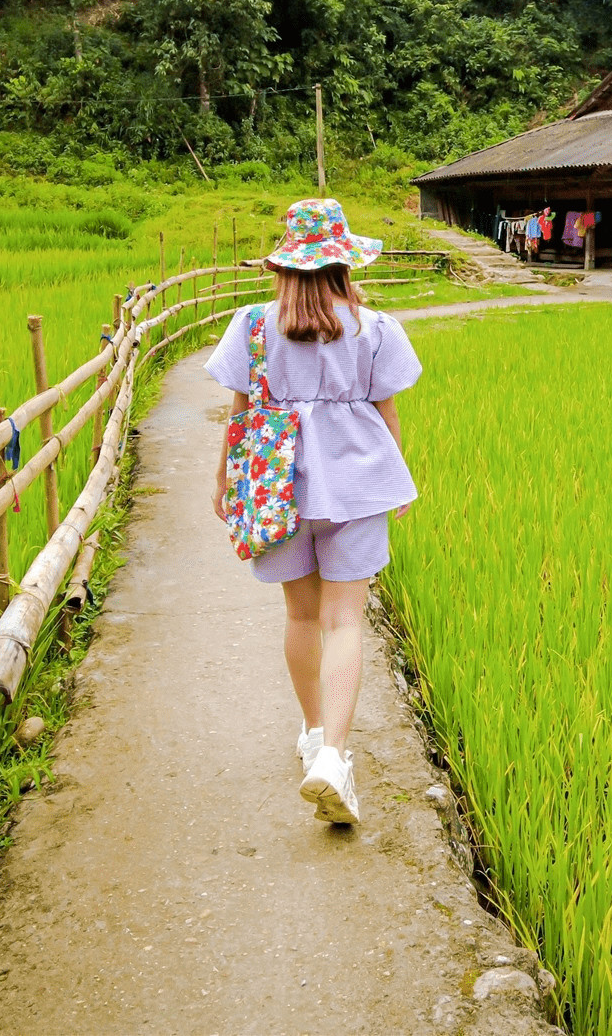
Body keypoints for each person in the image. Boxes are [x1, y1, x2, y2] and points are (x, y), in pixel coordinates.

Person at [207, 198, 421, 826]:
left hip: (277, 486)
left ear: (285, 265)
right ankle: (333, 755)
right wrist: (396, 483)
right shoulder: (374, 328)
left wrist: (225, 480)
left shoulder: (251, 324)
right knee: (344, 619)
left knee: (300, 615)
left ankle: (312, 732)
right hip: (356, 485)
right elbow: (386, 412)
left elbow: (240, 412)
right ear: (344, 263)